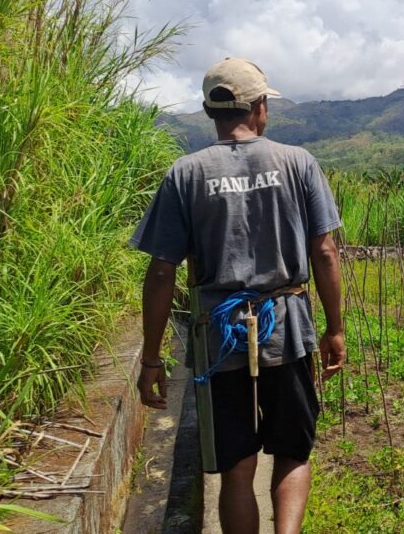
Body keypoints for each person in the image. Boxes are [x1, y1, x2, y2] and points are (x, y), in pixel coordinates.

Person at [131, 57, 346, 534]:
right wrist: (335, 329)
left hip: (219, 338)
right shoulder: (297, 163)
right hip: (285, 330)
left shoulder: (185, 174)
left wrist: (151, 359)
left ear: (211, 112)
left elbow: (161, 271)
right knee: (292, 451)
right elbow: (325, 252)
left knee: (237, 468)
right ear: (260, 107)